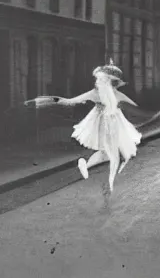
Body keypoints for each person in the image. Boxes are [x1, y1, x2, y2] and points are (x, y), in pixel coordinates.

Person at [25, 60, 141, 192]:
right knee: (113, 155)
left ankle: (88, 167)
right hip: (106, 124)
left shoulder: (114, 94)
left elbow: (135, 107)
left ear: (109, 80)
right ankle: (109, 185)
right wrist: (44, 100)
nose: (97, 81)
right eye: (97, 79)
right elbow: (69, 101)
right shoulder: (98, 93)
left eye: (101, 79)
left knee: (107, 153)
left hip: (112, 123)